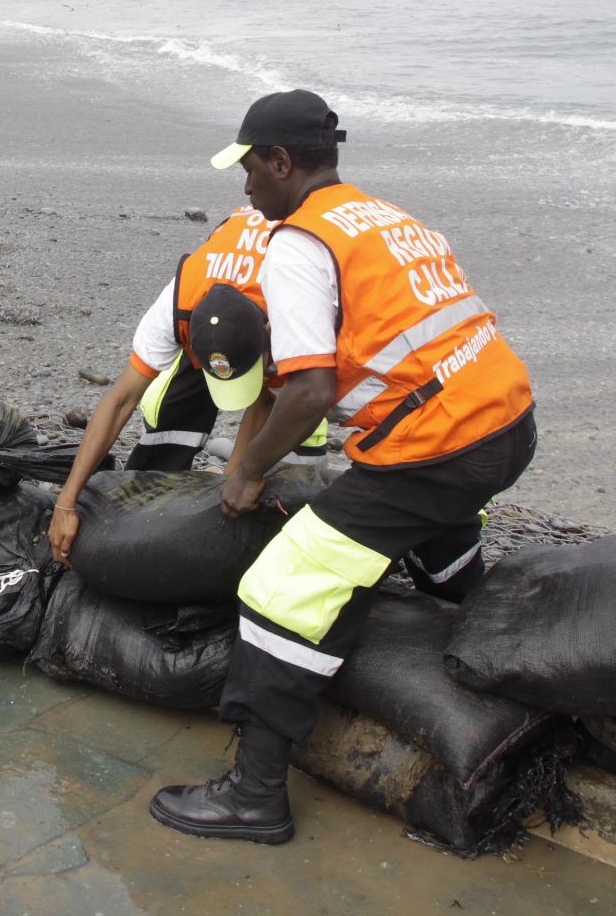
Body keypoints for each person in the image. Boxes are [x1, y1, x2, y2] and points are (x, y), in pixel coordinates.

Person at [150, 89, 537, 844]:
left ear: (281, 161)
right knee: (430, 517)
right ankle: (487, 627)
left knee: (281, 589)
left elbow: (309, 395)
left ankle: (254, 796)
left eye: (250, 168)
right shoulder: (389, 218)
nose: (246, 186)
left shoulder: (299, 245)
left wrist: (247, 472)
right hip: (506, 425)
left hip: (436, 451)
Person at [48, 205, 329, 565]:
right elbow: (120, 400)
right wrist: (66, 501)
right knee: (171, 407)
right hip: (216, 310)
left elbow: (263, 402)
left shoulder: (291, 307)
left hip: (274, 307)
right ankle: (153, 495)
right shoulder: (176, 303)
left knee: (294, 430)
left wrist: (236, 482)